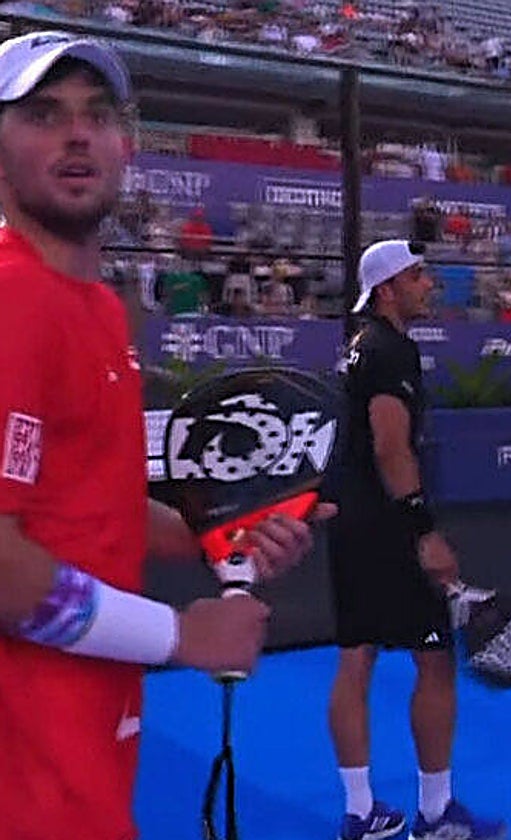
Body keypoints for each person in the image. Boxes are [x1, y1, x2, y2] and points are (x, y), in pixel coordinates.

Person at [0, 31, 334, 840]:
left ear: (127, 143)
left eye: (96, 113)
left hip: (82, 758)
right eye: (44, 113)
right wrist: (180, 634)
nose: (77, 133)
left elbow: (87, 507)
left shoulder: (98, 306)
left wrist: (216, 537)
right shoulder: (12, 300)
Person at [327, 239, 507, 840]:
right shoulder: (388, 350)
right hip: (386, 528)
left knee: (356, 657)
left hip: (349, 520)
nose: (429, 284)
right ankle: (435, 816)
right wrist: (423, 531)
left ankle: (359, 812)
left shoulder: (360, 347)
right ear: (388, 289)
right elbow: (390, 446)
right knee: (434, 661)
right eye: (418, 275)